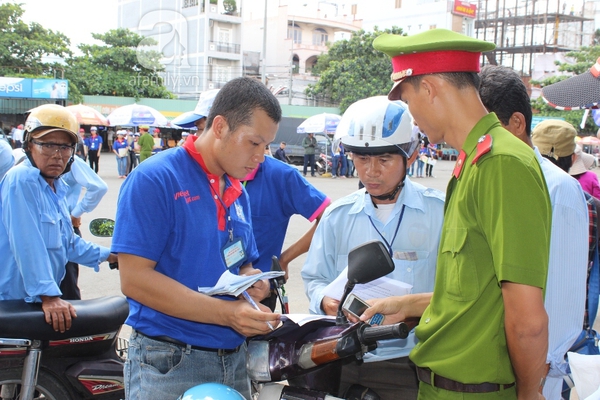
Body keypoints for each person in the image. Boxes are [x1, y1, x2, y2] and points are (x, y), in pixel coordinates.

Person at [366, 29, 551, 399]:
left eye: (408, 99)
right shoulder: (473, 163)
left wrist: (531, 395)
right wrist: (405, 305)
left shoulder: (501, 165)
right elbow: (474, 295)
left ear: (429, 89)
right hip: (443, 385)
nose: (412, 116)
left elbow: (527, 319)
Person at [111, 77, 282, 399]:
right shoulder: (155, 179)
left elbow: (239, 261)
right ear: (220, 127)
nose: (261, 156)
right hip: (170, 362)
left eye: (266, 146)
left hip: (233, 359)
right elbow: (134, 280)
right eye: (254, 143)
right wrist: (228, 314)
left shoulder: (236, 190)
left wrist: (251, 282)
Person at [302, 96, 445, 400]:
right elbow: (314, 280)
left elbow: (457, 290)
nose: (371, 172)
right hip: (340, 355)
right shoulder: (337, 216)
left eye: (384, 160)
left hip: (407, 362)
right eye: (361, 159)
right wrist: (326, 301)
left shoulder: (440, 213)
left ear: (411, 154)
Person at [479, 65, 589, 400]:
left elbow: (561, 301)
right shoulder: (484, 179)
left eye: (487, 129)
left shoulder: (558, 190)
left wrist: (534, 381)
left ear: (516, 123)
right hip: (488, 369)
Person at [0, 104, 117, 333]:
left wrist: (110, 255)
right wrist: (50, 296)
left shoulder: (56, 187)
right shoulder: (21, 180)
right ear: (28, 145)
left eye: (65, 147)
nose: (57, 154)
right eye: (47, 145)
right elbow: (28, 242)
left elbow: (68, 243)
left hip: (35, 301)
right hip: (17, 301)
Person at [60, 154, 109, 300]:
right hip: (64, 225)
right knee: (67, 288)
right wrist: (76, 213)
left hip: (65, 225)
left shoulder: (69, 159)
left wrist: (76, 213)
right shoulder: (21, 176)